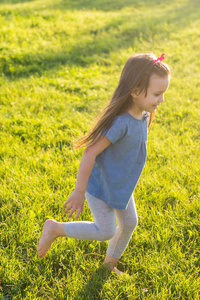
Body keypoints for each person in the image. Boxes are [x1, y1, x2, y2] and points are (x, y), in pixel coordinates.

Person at [37, 53, 171, 276]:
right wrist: (79, 191)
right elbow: (90, 152)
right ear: (136, 91)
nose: (162, 100)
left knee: (129, 223)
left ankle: (108, 266)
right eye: (157, 94)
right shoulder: (121, 123)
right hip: (100, 187)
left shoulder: (144, 114)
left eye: (164, 93)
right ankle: (55, 228)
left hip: (120, 185)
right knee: (106, 230)